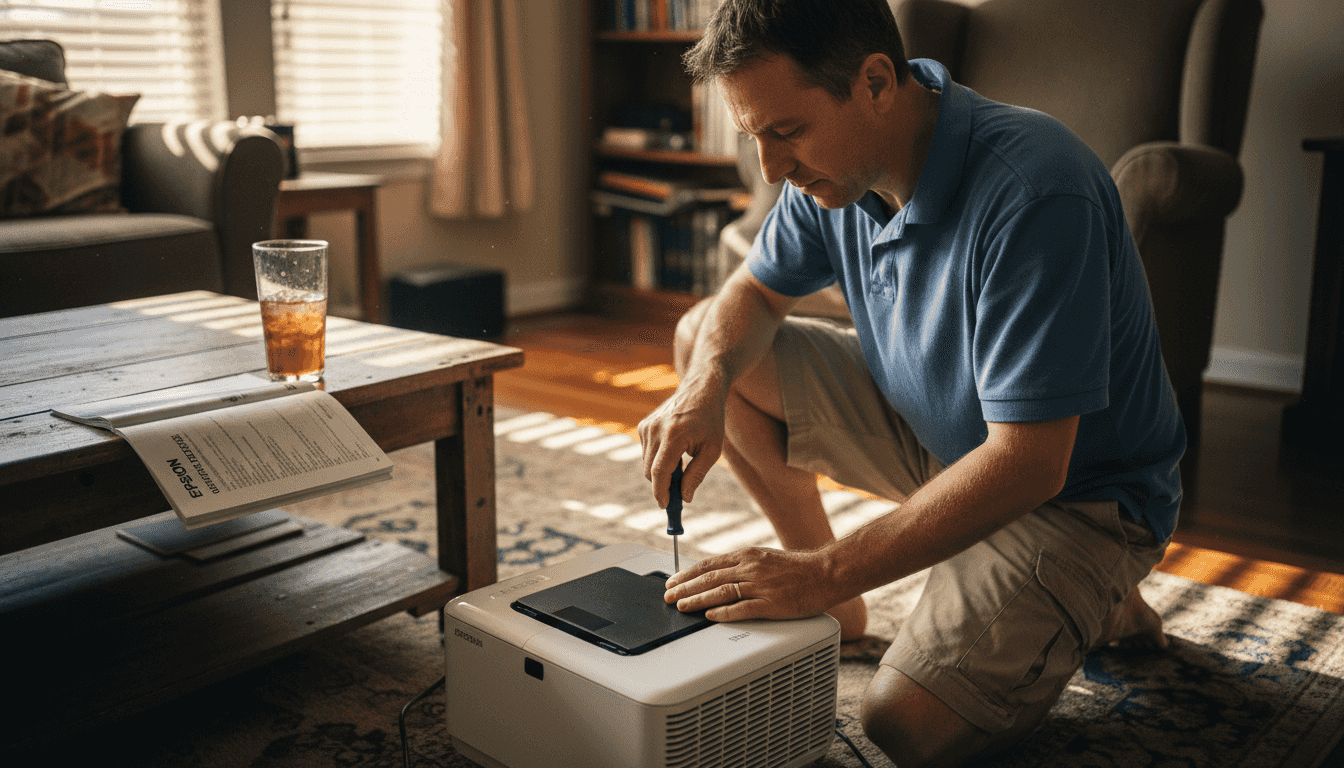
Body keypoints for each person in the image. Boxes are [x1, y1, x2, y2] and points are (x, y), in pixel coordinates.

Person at [635, 0, 1186, 765]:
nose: (771, 169)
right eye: (753, 135)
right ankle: (837, 606)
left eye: (786, 131)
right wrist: (704, 385)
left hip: (1074, 499)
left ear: (874, 83)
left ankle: (1097, 595)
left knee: (905, 722)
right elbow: (753, 293)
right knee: (706, 342)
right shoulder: (831, 175)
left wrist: (819, 570)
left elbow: (1031, 462)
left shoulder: (1037, 191)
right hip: (942, 435)